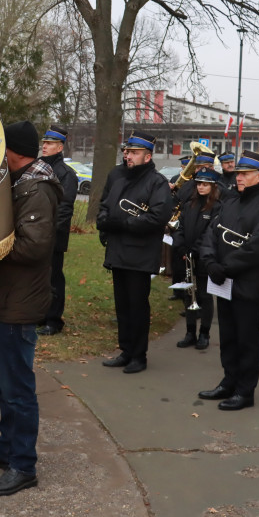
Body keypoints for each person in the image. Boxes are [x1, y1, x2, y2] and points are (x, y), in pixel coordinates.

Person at [0, 120, 61, 497]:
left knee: (18, 387)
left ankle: (23, 465)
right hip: (9, 297)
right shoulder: (19, 182)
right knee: (5, 382)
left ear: (14, 151)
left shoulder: (36, 188)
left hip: (19, 302)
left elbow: (34, 247)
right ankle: (7, 448)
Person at [197, 151, 259, 410]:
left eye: (245, 174)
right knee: (228, 334)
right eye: (238, 174)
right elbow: (212, 233)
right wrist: (210, 262)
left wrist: (226, 267)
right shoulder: (230, 201)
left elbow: (257, 247)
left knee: (246, 338)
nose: (239, 178)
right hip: (224, 280)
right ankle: (228, 381)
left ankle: (245, 391)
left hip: (249, 282)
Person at [96, 130, 173, 374]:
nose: (128, 156)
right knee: (122, 305)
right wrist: (104, 222)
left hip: (140, 253)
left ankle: (139, 356)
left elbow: (158, 216)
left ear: (147, 156)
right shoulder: (117, 175)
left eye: (134, 152)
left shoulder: (157, 182)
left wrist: (123, 224)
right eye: (127, 151)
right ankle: (126, 350)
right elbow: (104, 205)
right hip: (118, 251)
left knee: (137, 305)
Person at [36, 125, 78, 336]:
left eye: (50, 143)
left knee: (53, 278)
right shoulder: (35, 168)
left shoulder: (66, 174)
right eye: (44, 142)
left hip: (52, 236)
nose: (44, 145)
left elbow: (64, 209)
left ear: (60, 147)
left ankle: (53, 319)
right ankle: (40, 315)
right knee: (37, 277)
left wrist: (48, 233)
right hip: (34, 234)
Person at [173, 169, 222, 350]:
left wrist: (195, 250)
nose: (201, 187)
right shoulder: (189, 204)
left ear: (212, 186)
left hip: (204, 258)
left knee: (204, 295)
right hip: (187, 257)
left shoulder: (217, 207)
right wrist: (180, 246)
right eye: (199, 184)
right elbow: (180, 227)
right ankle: (190, 332)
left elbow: (210, 232)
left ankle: (204, 334)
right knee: (188, 294)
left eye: (205, 184)